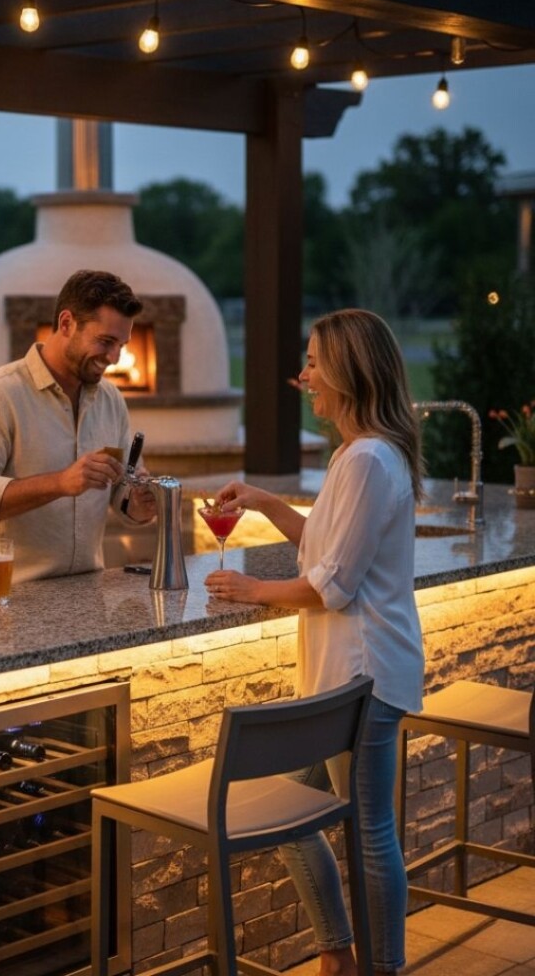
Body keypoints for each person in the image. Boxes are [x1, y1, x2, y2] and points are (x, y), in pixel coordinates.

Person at [203, 308, 425, 976]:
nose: (304, 377)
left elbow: (333, 586)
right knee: (287, 807)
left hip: (364, 679)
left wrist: (252, 592)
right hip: (342, 677)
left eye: (313, 362)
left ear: (349, 372)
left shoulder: (366, 460)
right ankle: (338, 952)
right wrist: (268, 504)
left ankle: (377, 968)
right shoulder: (354, 454)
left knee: (370, 834)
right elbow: (328, 551)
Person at [0, 269, 157, 591]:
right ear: (66, 323)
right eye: (105, 342)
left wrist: (140, 501)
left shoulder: (111, 399)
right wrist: (60, 482)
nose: (114, 358)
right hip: (7, 600)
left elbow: (121, 492)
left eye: (122, 346)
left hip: (88, 596)